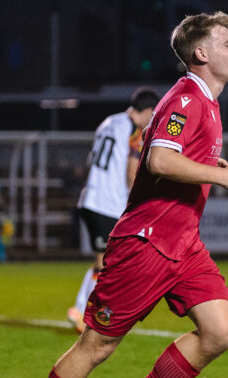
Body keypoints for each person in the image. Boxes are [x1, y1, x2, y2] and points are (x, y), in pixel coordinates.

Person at [20, 11, 228, 378]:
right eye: (226, 41)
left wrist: (207, 162)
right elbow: (161, 160)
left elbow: (165, 156)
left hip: (183, 245)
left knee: (220, 331)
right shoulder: (186, 96)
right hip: (144, 244)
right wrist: (220, 175)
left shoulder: (206, 101)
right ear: (200, 53)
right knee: (97, 345)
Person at [66, 87, 159, 333]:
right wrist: (138, 199)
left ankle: (83, 310)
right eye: (153, 115)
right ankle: (87, 314)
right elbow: (131, 171)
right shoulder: (134, 131)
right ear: (148, 111)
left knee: (106, 261)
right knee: (110, 264)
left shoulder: (108, 122)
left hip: (90, 198)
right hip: (107, 203)